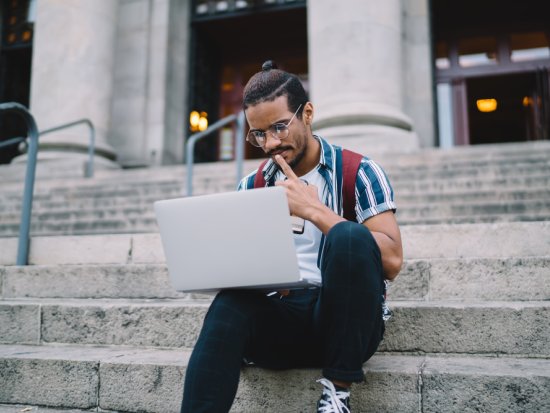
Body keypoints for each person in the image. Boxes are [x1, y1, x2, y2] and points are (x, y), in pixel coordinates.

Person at [181, 61, 403, 413]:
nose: (270, 143)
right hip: (280, 325)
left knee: (348, 236)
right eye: (258, 134)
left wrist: (314, 212)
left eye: (279, 127)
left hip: (345, 324)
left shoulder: (359, 171)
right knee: (229, 303)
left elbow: (391, 261)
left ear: (308, 113)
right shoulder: (251, 186)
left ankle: (337, 393)